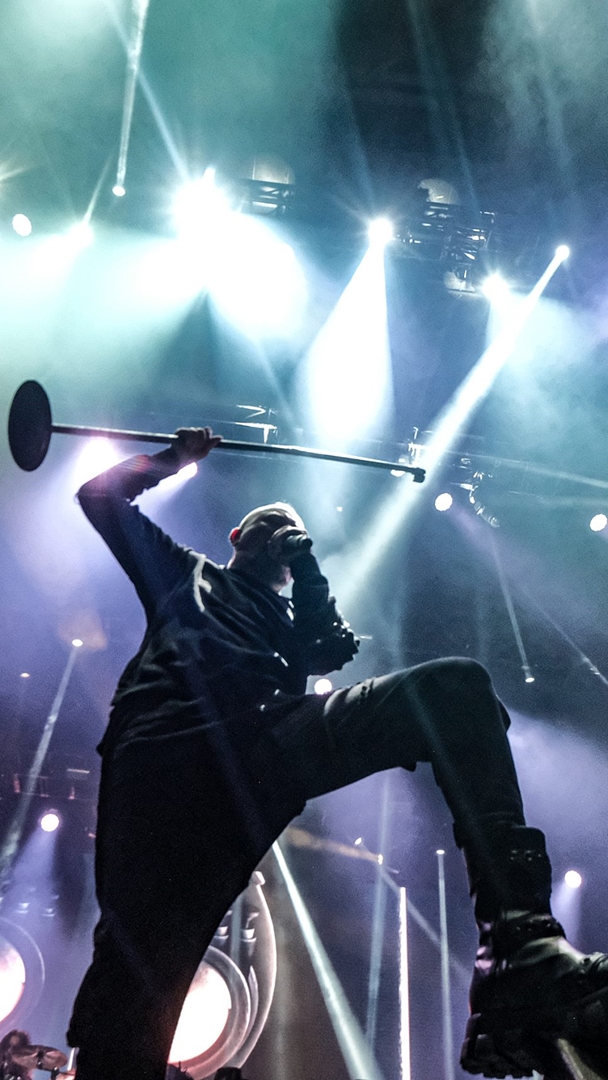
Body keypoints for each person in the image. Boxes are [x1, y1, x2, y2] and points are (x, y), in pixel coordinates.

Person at [67, 429, 608, 1080]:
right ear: (237, 537)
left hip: (263, 746)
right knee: (135, 986)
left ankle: (519, 944)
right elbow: (99, 497)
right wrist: (172, 460)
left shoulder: (296, 624)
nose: (283, 528)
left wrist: (307, 567)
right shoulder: (188, 575)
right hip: (168, 755)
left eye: (293, 529)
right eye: (270, 522)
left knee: (455, 691)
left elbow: (331, 648)